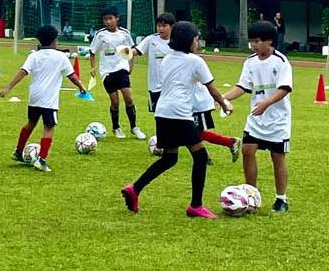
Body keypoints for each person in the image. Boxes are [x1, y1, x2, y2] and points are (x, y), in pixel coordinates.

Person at [120, 21, 233, 219]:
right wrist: (224, 104)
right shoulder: (195, 61)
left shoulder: (168, 58)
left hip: (162, 111)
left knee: (170, 158)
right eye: (197, 38)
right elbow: (211, 88)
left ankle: (134, 188)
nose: (198, 42)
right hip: (180, 113)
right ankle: (196, 206)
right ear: (190, 40)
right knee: (199, 156)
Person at [223, 21, 293, 214]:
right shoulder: (250, 62)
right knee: (247, 150)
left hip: (278, 120)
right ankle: (250, 194)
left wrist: (266, 103)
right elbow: (243, 87)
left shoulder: (280, 61)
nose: (253, 45)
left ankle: (281, 199)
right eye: (251, 41)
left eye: (256, 41)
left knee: (277, 157)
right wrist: (222, 98)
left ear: (269, 40)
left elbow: (284, 88)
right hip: (256, 118)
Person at [0, 24, 87, 173]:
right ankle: (42, 160)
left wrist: (8, 87)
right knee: (49, 127)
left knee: (31, 123)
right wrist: (81, 86)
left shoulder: (34, 55)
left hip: (34, 96)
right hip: (49, 99)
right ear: (55, 40)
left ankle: (18, 151)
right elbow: (71, 76)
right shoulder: (61, 57)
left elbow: (23, 71)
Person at [89, 7, 145, 139]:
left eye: (110, 18)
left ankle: (134, 127)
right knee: (115, 102)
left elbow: (131, 50)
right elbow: (92, 51)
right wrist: (93, 67)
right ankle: (116, 128)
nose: (108, 22)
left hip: (122, 69)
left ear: (117, 18)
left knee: (129, 98)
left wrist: (131, 65)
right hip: (107, 72)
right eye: (105, 19)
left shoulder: (125, 33)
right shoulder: (100, 34)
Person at [133, 12, 174, 113]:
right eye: (159, 26)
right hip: (154, 86)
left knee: (172, 113)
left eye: (164, 26)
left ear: (171, 27)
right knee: (157, 114)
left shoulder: (176, 41)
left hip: (172, 85)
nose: (161, 29)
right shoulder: (151, 39)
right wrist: (124, 51)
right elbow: (137, 51)